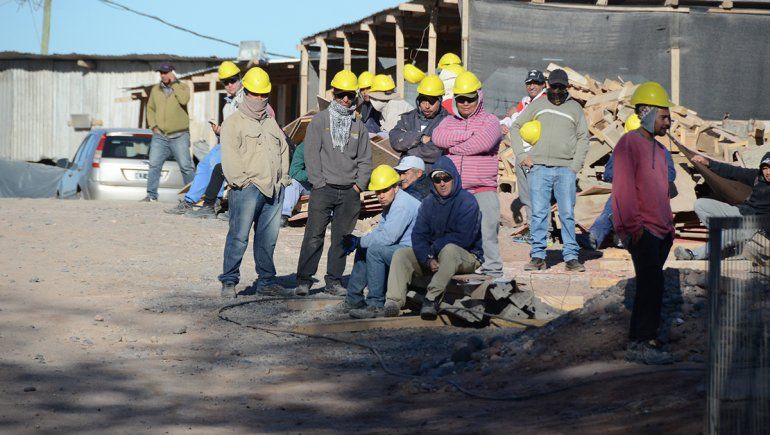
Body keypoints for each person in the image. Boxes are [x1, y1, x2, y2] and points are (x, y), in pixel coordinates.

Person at [612, 81, 677, 365]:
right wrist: (631, 227)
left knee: (654, 285)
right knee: (650, 285)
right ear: (647, 112)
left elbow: (662, 191)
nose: (669, 123)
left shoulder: (662, 151)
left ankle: (647, 337)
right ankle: (639, 342)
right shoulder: (629, 144)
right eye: (664, 117)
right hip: (643, 230)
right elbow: (623, 188)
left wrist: (670, 228)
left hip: (661, 231)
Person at [294, 70, 372, 296]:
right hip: (324, 189)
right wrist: (318, 182)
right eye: (341, 95)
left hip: (349, 191)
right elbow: (311, 153)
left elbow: (366, 159)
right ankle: (304, 280)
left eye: (349, 95)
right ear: (333, 94)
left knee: (342, 238)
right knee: (313, 235)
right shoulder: (319, 121)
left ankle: (334, 281)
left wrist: (358, 186)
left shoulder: (359, 126)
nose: (346, 100)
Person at [218, 67, 290, 298]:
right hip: (247, 189)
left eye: (264, 95)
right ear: (245, 92)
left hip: (274, 188)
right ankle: (229, 282)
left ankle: (266, 282)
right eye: (255, 94)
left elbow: (284, 147)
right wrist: (242, 182)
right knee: (238, 237)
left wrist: (283, 178)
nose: (260, 99)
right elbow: (229, 157)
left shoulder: (270, 122)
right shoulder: (233, 123)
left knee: (267, 239)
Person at [509, 68, 589, 272]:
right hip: (539, 168)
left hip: (565, 170)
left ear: (567, 87)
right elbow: (515, 126)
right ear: (548, 85)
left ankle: (571, 256)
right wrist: (521, 155)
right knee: (538, 214)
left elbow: (583, 137)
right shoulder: (539, 105)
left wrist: (574, 167)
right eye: (554, 86)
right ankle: (538, 256)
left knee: (567, 214)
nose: (557, 90)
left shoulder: (575, 108)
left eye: (561, 86)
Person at [383, 156, 483, 320]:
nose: (442, 183)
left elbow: (464, 238)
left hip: (467, 256)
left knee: (449, 250)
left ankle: (431, 299)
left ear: (454, 178)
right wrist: (427, 259)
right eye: (437, 179)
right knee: (402, 254)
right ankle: (393, 301)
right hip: (434, 256)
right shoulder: (428, 202)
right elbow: (418, 235)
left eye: (446, 178)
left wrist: (434, 251)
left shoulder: (467, 201)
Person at [433, 70, 504, 279]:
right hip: (456, 191)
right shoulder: (448, 121)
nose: (465, 103)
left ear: (479, 96)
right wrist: (467, 135)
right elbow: (438, 138)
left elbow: (482, 143)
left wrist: (453, 147)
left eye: (469, 98)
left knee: (487, 232)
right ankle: (458, 269)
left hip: (483, 188)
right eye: (460, 99)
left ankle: (493, 272)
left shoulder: (490, 121)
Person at [328, 165, 421, 319]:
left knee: (374, 250)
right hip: (402, 248)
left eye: (385, 190)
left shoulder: (402, 206)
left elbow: (387, 238)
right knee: (366, 246)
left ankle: (376, 304)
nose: (381, 195)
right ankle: (353, 300)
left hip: (413, 252)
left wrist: (359, 241)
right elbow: (380, 231)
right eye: (378, 192)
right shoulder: (392, 202)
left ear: (395, 187)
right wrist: (360, 241)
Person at [165, 61, 242, 216]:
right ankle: (189, 201)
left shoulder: (245, 99)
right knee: (203, 165)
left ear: (240, 78)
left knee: (217, 165)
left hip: (237, 146)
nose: (229, 85)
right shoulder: (228, 104)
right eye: (225, 82)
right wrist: (219, 131)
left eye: (232, 81)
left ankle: (215, 202)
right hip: (225, 142)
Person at [675, 152, 770, 260]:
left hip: (756, 226)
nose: (768, 172)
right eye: (765, 168)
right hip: (741, 212)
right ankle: (727, 247)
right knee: (701, 205)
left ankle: (693, 255)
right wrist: (708, 163)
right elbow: (734, 172)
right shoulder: (757, 177)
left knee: (730, 234)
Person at [500, 70, 547, 241]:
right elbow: (508, 120)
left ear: (543, 84)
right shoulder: (526, 101)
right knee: (527, 195)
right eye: (529, 83)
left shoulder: (544, 100)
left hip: (536, 154)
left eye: (535, 82)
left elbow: (524, 121)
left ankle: (542, 234)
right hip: (522, 152)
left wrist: (513, 115)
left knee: (538, 195)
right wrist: (507, 122)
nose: (532, 86)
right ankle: (534, 231)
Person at [143, 62, 195, 202]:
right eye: (161, 73)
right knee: (154, 164)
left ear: (172, 72)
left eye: (166, 72)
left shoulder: (183, 86)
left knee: (186, 167)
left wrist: (175, 84)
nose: (163, 75)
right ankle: (151, 195)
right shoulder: (155, 90)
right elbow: (150, 109)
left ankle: (193, 197)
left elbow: (184, 100)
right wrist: (153, 126)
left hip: (179, 135)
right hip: (160, 135)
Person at [389, 74, 449, 173]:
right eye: (423, 100)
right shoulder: (408, 118)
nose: (426, 106)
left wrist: (407, 150)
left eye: (432, 101)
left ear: (440, 100)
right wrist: (420, 137)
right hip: (405, 175)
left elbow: (436, 152)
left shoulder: (448, 121)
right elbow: (395, 140)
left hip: (431, 176)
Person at [280, 142, 312, 227]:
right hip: (309, 184)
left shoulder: (330, 146)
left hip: (325, 183)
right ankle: (284, 214)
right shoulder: (303, 148)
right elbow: (294, 172)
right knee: (293, 183)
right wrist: (311, 174)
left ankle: (332, 216)